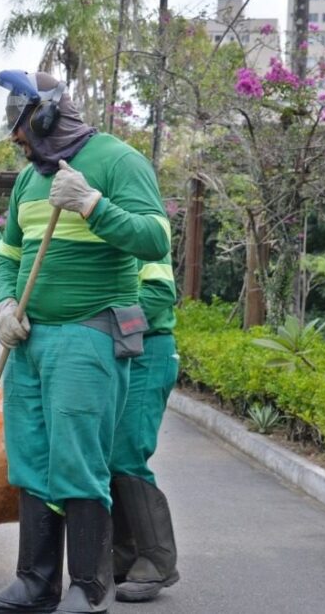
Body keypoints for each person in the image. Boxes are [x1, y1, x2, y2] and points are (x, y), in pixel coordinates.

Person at [0, 70, 170, 614]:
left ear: (47, 114)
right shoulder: (30, 179)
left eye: (20, 125)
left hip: (89, 331)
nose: (15, 138)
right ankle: (35, 583)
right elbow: (8, 255)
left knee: (77, 460)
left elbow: (155, 238)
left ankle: (88, 587)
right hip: (29, 341)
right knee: (30, 459)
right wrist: (5, 304)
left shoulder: (117, 160)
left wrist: (92, 204)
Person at [109, 252, 180, 603]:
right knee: (105, 455)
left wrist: (104, 322)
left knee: (126, 451)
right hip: (110, 351)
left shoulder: (141, 228)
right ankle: (122, 555)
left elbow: (159, 295)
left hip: (147, 350)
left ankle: (157, 559)